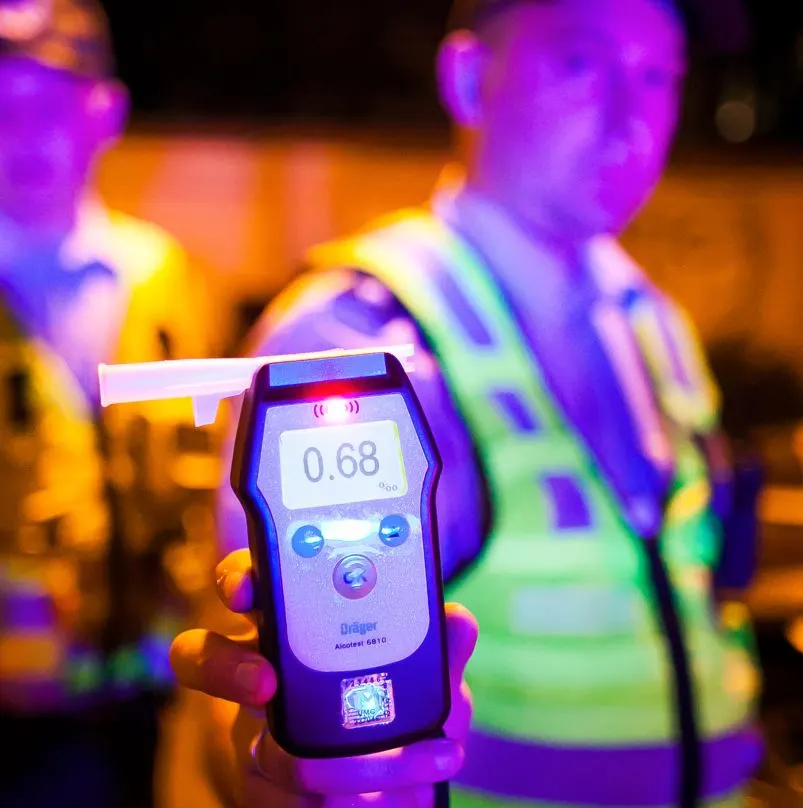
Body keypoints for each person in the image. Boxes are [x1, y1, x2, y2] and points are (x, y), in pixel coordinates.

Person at [171, 0, 763, 806]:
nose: (631, 117)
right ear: (470, 77)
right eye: (580, 63)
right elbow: (252, 706)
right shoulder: (355, 340)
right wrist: (288, 773)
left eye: (657, 75)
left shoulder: (653, 321)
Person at [0, 1, 218, 806]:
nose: (20, 133)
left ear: (105, 113)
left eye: (46, 104)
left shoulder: (168, 280)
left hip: (138, 703)